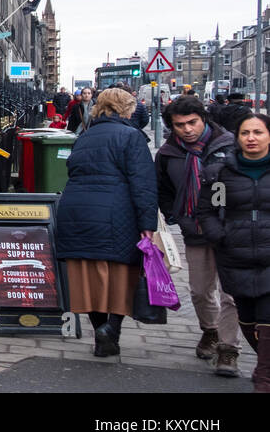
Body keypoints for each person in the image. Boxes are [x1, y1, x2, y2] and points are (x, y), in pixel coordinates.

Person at [54, 87, 157, 358]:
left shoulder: (85, 137)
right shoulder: (132, 137)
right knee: (122, 276)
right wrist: (148, 225)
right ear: (125, 109)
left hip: (77, 212)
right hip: (116, 214)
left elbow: (72, 169)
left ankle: (102, 333)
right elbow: (143, 185)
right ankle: (111, 328)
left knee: (89, 278)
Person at [156, 94, 240, 376]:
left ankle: (229, 350)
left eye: (192, 122)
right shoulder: (168, 153)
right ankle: (210, 330)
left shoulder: (228, 146)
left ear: (203, 119)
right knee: (200, 290)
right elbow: (163, 191)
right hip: (196, 230)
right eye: (180, 125)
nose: (187, 129)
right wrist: (176, 216)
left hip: (231, 231)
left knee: (230, 294)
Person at [197, 113, 270, 392]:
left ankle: (264, 378)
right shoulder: (222, 173)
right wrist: (219, 236)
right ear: (237, 138)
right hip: (236, 256)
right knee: (249, 320)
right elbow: (209, 209)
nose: (251, 138)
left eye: (258, 132)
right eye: (245, 133)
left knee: (267, 318)